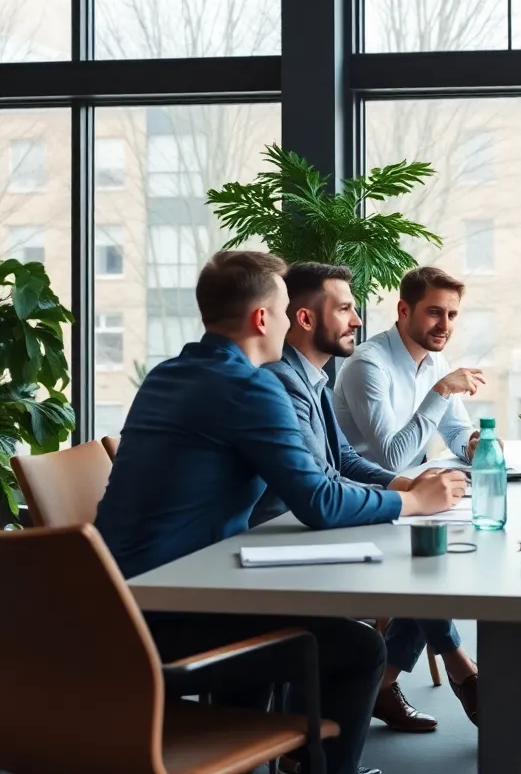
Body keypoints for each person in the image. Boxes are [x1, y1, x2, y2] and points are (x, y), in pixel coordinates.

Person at [95, 250, 466, 774]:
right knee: (359, 649)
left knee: (290, 625)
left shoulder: (166, 374)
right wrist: (413, 500)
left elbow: (331, 468)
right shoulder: (252, 386)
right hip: (172, 617)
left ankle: (267, 754)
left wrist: (402, 488)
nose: (295, 319)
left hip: (114, 608)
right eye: (286, 307)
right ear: (265, 318)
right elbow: (318, 500)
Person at [262, 261, 480, 733]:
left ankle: (406, 682)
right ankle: (455, 671)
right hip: (295, 534)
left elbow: (344, 460)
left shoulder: (313, 379)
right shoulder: (332, 372)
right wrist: (410, 496)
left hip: (334, 511)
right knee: (419, 565)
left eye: (453, 315)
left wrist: (411, 486)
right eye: (345, 308)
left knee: (424, 561)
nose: (358, 320)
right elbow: (377, 462)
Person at [334, 266, 488, 473]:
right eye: (435, 312)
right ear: (404, 311)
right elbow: (393, 460)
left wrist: (471, 447)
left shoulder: (436, 361)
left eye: (451, 316)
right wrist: (441, 390)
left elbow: (455, 430)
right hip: (367, 493)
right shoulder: (367, 364)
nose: (444, 325)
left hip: (412, 487)